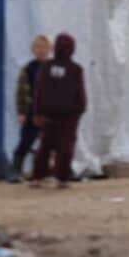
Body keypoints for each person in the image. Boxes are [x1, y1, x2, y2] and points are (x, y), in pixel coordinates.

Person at [30, 33, 87, 188]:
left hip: (49, 114)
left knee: (45, 146)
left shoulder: (46, 67)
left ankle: (38, 176)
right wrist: (80, 109)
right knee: (65, 147)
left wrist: (37, 112)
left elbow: (39, 91)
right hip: (69, 116)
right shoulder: (75, 69)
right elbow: (80, 93)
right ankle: (61, 178)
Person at [10, 34, 52, 181]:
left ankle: (61, 171)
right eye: (38, 47)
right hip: (32, 112)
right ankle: (15, 170)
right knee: (26, 141)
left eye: (44, 47)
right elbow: (20, 92)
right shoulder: (28, 69)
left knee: (55, 142)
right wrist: (21, 112)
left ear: (49, 49)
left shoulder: (53, 68)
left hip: (50, 113)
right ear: (33, 49)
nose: (41, 50)